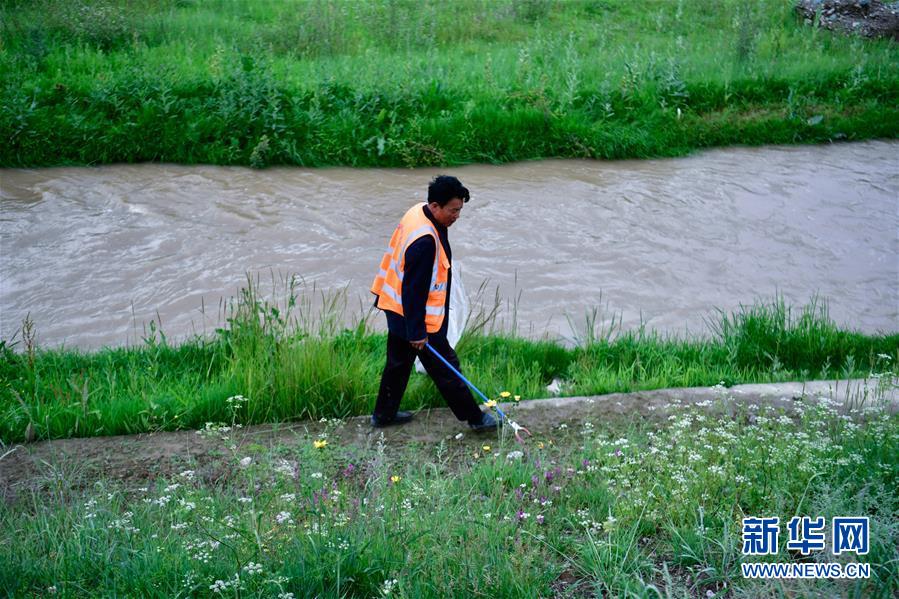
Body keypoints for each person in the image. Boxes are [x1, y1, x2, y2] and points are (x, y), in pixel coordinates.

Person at [369, 175, 499, 431]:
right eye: (453, 210)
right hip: (419, 319)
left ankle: (383, 416)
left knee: (398, 364)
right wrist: (417, 332)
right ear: (436, 206)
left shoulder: (418, 211)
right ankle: (476, 418)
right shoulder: (425, 241)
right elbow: (414, 291)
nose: (457, 216)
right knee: (447, 369)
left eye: (460, 210)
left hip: (394, 306)